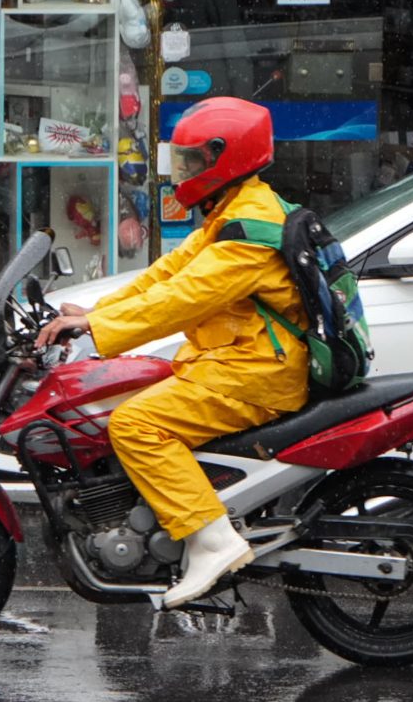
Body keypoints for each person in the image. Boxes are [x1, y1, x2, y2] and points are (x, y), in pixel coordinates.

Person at [35, 97, 309, 609]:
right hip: (235, 364)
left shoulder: (248, 233)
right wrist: (92, 309)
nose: (182, 172)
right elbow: (166, 275)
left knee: (136, 425)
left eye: (192, 162)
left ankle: (213, 540)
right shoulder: (235, 209)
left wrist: (98, 326)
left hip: (256, 374)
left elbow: (184, 300)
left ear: (225, 158)